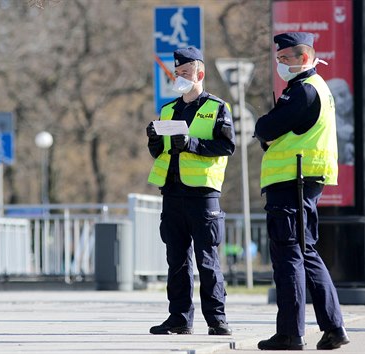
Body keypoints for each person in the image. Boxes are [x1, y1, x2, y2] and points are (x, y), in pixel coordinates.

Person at [253, 32, 350, 350]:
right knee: (305, 253)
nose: (280, 64)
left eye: (286, 58)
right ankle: (333, 327)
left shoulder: (303, 91)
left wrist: (264, 128)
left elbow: (266, 127)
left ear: (305, 57)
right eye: (278, 59)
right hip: (302, 179)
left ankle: (290, 333)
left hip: (292, 181)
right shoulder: (315, 88)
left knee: (288, 258)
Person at [146, 46, 235, 336]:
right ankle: (179, 319)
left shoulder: (217, 108)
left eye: (186, 72)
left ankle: (217, 319)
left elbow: (226, 146)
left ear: (200, 73)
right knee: (177, 260)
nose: (180, 77)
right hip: (172, 193)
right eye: (177, 72)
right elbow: (160, 153)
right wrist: (153, 139)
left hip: (203, 194)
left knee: (207, 260)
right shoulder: (169, 109)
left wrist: (192, 143)